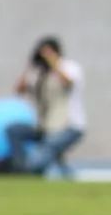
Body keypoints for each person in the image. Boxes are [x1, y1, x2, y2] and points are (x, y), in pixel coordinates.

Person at [6, 37, 87, 175]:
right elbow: (19, 91)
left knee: (44, 151)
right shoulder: (38, 71)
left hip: (68, 125)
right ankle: (20, 165)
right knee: (15, 131)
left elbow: (69, 83)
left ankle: (28, 169)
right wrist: (30, 66)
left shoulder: (69, 66)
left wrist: (53, 62)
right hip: (44, 126)